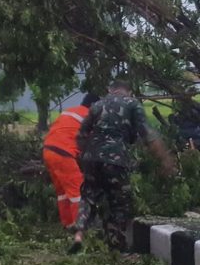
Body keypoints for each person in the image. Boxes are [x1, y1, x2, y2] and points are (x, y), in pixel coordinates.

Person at [70, 80, 175, 254]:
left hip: (91, 158)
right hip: (116, 160)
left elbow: (80, 135)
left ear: (110, 89)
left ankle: (79, 235)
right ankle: (116, 246)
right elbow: (148, 135)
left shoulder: (97, 105)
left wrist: (84, 158)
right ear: (129, 91)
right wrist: (165, 160)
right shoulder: (132, 104)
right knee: (119, 202)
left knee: (88, 196)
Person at [42, 93, 100, 228]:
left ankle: (67, 224)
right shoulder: (90, 117)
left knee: (63, 192)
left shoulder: (70, 111)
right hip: (63, 153)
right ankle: (79, 228)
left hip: (48, 151)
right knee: (78, 192)